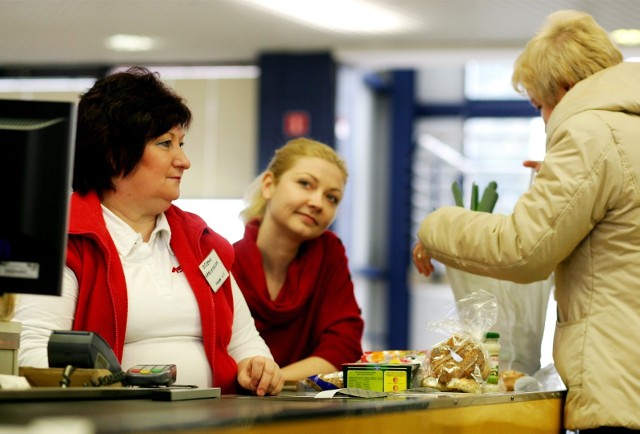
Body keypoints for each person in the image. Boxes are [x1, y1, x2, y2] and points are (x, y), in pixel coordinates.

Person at [412, 10, 640, 432]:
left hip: (620, 388)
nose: (544, 118)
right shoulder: (628, 130)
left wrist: (436, 224)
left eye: (539, 105)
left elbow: (523, 250)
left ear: (566, 88)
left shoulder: (591, 132)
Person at [13, 67, 284, 396]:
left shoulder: (203, 242)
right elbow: (36, 358)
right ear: (113, 154)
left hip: (217, 418)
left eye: (181, 143)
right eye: (165, 144)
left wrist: (258, 365)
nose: (184, 160)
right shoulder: (63, 241)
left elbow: (245, 343)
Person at [231, 137, 364, 381]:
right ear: (269, 185)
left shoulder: (329, 253)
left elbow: (344, 348)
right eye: (305, 184)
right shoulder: (224, 262)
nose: (317, 203)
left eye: (331, 198)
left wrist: (274, 380)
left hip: (307, 410)